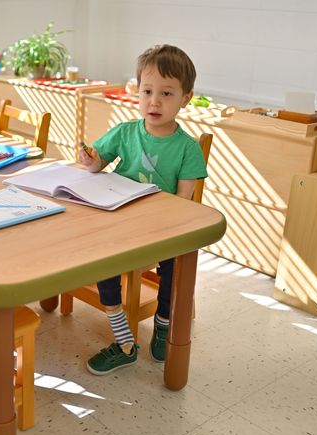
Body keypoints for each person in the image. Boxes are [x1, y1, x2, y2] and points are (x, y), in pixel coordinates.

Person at [78, 44, 208, 375]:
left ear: (186, 98)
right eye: (147, 91)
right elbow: (96, 167)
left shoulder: (187, 149)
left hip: (161, 232)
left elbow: (183, 203)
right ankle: (124, 341)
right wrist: (91, 160)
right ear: (137, 92)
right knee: (100, 257)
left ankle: (163, 325)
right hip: (119, 225)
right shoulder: (124, 132)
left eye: (166, 93)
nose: (154, 101)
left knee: (175, 267)